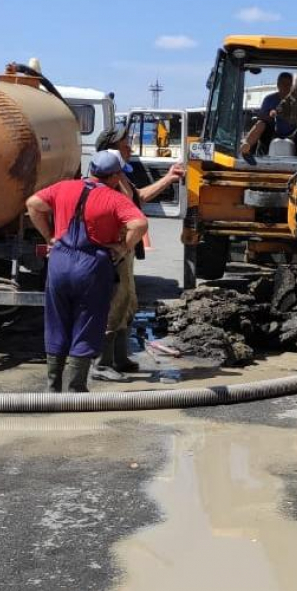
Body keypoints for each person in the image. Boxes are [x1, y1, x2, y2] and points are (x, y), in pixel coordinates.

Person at [26, 151, 148, 393]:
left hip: (59, 262)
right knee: (86, 323)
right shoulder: (114, 198)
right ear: (115, 176)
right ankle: (76, 388)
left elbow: (33, 204)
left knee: (57, 322)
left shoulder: (63, 187)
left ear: (91, 169)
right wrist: (123, 248)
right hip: (92, 265)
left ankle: (52, 388)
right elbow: (139, 224)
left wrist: (50, 236)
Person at [92, 123, 185, 379]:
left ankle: (120, 359)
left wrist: (168, 178)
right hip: (116, 250)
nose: (130, 147)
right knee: (114, 304)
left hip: (125, 249)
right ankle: (101, 364)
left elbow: (138, 198)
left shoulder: (120, 176)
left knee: (127, 303)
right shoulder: (109, 178)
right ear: (112, 148)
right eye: (125, 143)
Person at [240, 72, 297, 158]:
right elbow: (261, 117)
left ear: (292, 86)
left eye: (288, 84)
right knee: (261, 123)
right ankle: (245, 146)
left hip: (294, 134)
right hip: (272, 134)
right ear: (278, 85)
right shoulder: (269, 99)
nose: (285, 87)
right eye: (283, 84)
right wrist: (270, 115)